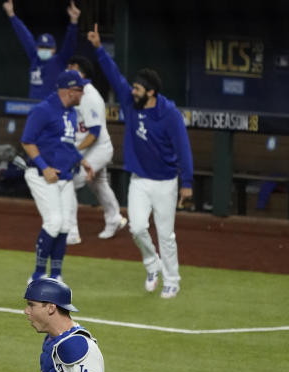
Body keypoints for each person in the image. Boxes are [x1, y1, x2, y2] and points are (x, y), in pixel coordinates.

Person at [89, 24, 193, 299]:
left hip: (166, 182)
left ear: (150, 92)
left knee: (166, 234)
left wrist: (187, 183)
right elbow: (114, 76)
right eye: (133, 87)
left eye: (137, 88)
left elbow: (183, 148)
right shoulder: (130, 104)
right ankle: (151, 264)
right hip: (139, 180)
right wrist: (99, 49)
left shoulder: (169, 114)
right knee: (136, 227)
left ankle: (172, 279)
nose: (132, 90)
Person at [20, 70, 92, 284]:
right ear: (71, 91)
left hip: (65, 176)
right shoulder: (43, 110)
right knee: (53, 222)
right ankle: (38, 275)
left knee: (65, 226)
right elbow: (27, 141)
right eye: (81, 90)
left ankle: (56, 275)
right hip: (41, 175)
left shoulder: (70, 112)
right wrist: (44, 167)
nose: (83, 94)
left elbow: (66, 143)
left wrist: (81, 160)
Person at [66, 55, 126, 243]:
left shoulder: (90, 96)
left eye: (72, 67)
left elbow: (94, 132)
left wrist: (75, 151)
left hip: (98, 147)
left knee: (69, 183)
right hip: (89, 148)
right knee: (99, 184)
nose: (68, 70)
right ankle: (114, 218)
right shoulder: (74, 92)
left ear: (81, 73)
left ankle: (71, 232)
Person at [3, 0, 80, 99]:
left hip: (51, 108)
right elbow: (25, 36)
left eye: (48, 47)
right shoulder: (35, 57)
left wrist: (73, 22)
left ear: (54, 49)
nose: (44, 49)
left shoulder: (59, 61)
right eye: (42, 47)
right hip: (33, 106)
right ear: (37, 47)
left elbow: (70, 44)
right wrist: (12, 15)